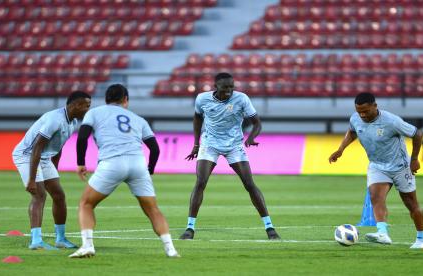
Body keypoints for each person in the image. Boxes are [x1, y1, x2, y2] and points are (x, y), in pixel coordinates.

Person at [69, 84, 179, 258]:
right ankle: (170, 249)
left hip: (112, 162)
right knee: (153, 210)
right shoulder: (138, 119)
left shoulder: (94, 112)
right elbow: (155, 149)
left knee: (86, 204)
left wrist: (81, 163)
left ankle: (87, 245)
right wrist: (149, 169)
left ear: (106, 100)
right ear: (126, 100)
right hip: (137, 164)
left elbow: (82, 137)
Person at [179, 72, 280, 240]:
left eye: (231, 87)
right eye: (225, 87)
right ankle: (190, 228)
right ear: (215, 86)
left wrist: (252, 137)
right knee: (201, 182)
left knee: (249, 184)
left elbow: (257, 123)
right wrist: (196, 144)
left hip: (234, 145)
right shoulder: (202, 99)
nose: (229, 90)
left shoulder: (242, 99)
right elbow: (197, 119)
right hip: (209, 144)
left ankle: (270, 228)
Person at [328, 92, 423, 249]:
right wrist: (340, 149)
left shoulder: (392, 121)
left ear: (375, 106)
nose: (362, 115)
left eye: (365, 111)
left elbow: (417, 134)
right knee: (376, 196)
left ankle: (421, 239)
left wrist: (414, 159)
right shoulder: (355, 118)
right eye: (359, 111)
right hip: (377, 165)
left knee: (411, 203)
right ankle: (382, 233)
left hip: (400, 166)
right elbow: (352, 131)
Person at [12, 91, 92, 250]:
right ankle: (36, 241)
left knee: (59, 196)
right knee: (39, 195)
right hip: (27, 155)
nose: (88, 110)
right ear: (76, 105)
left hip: (44, 157)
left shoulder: (73, 121)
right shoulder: (55, 119)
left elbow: (58, 147)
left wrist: (54, 170)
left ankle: (60, 239)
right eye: (86, 106)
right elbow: (37, 147)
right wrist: (32, 179)